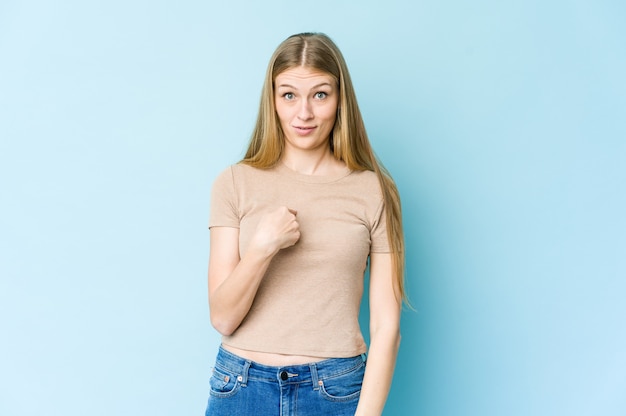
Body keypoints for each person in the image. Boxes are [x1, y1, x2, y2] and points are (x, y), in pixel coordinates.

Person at [205, 32, 407, 416]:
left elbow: (386, 328)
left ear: (339, 99)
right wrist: (262, 247)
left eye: (319, 94)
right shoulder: (234, 182)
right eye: (289, 95)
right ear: (273, 101)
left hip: (334, 389)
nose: (304, 114)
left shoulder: (375, 190)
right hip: (241, 387)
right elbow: (223, 317)